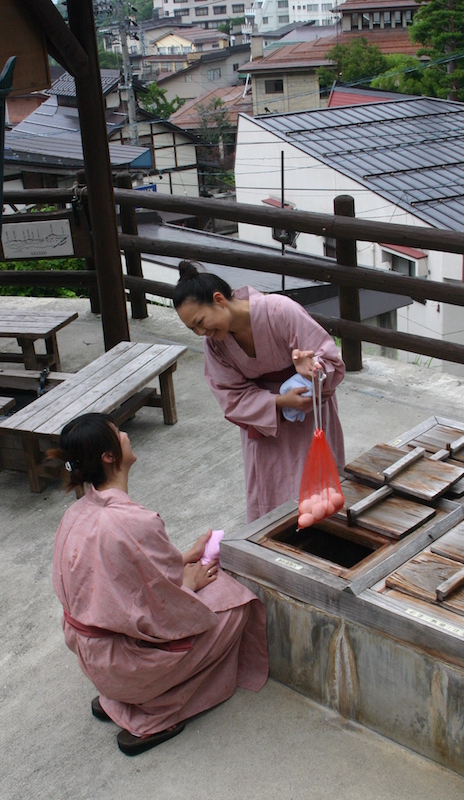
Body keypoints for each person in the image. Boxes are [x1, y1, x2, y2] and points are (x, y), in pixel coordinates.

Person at [50, 413, 268, 756]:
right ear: (109, 456)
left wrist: (181, 559)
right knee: (235, 603)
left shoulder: (76, 513)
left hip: (91, 655)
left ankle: (119, 697)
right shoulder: (135, 521)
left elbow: (122, 576)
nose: (125, 434)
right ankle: (156, 710)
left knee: (199, 587)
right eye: (117, 432)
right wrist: (188, 585)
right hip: (122, 664)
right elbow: (166, 616)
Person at [174, 261, 345, 523]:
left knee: (319, 496)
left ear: (218, 300)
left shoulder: (279, 310)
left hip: (309, 414)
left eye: (200, 322)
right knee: (273, 498)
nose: (200, 332)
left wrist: (309, 369)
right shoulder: (216, 346)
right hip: (266, 423)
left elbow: (329, 361)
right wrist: (278, 401)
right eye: (193, 329)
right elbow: (230, 395)